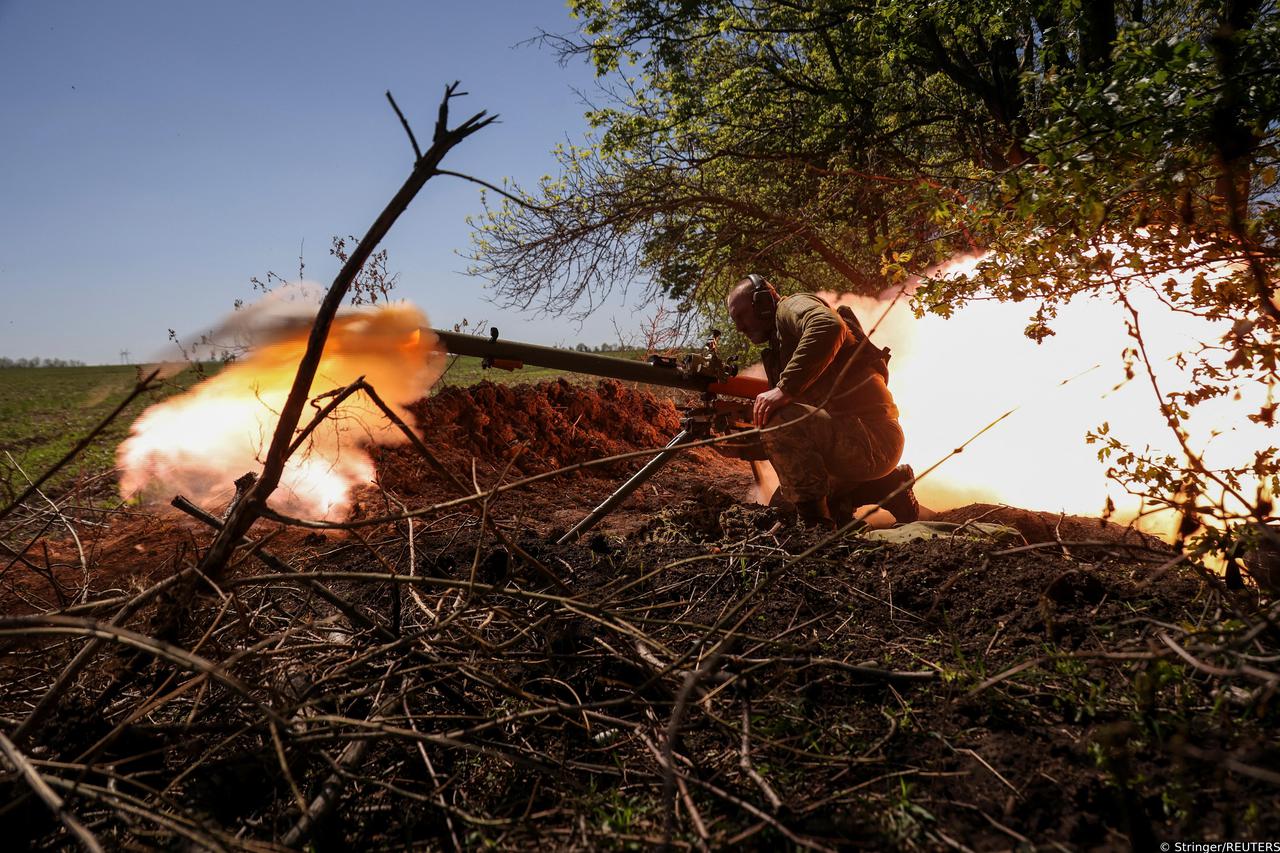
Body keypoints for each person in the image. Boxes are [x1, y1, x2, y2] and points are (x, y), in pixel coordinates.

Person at [725, 274, 919, 528]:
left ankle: (816, 531)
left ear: (763, 302)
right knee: (783, 509)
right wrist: (737, 446)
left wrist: (784, 389)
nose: (739, 327)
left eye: (741, 316)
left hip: (874, 440)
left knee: (782, 421)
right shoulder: (782, 346)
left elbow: (829, 325)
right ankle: (887, 485)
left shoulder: (789, 307)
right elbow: (796, 442)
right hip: (855, 442)